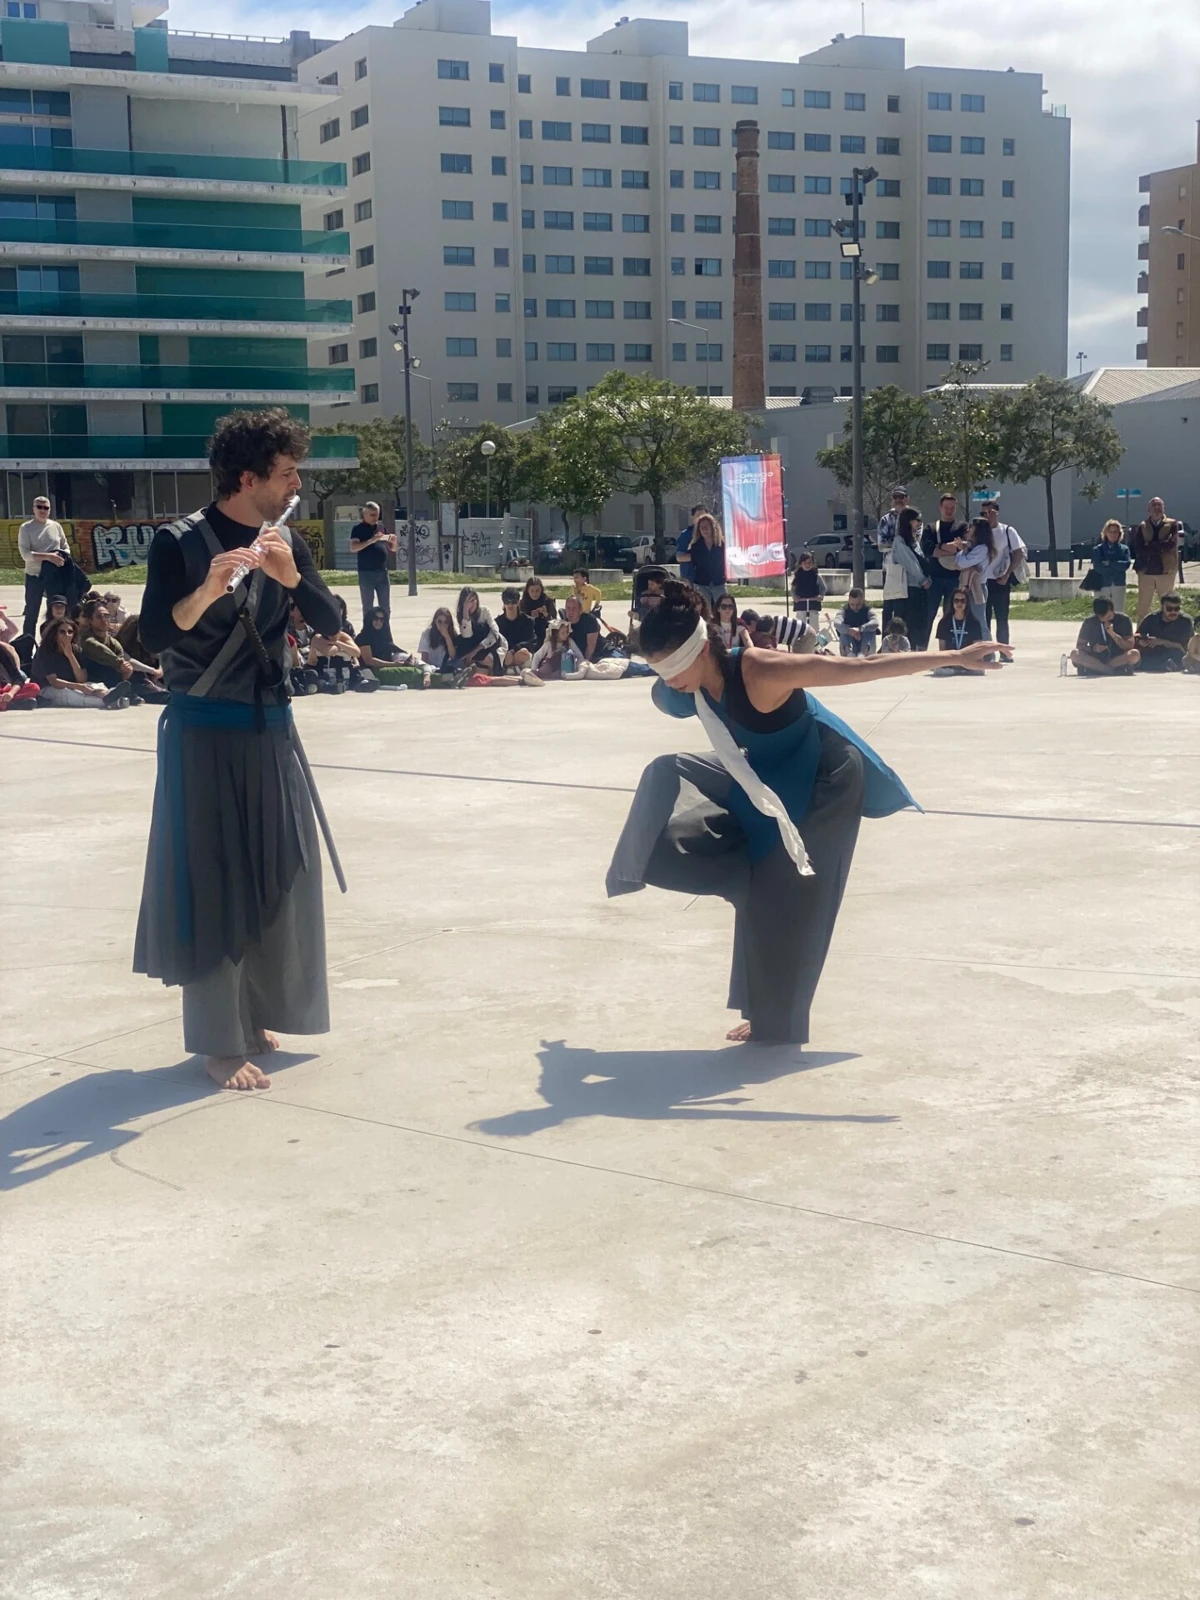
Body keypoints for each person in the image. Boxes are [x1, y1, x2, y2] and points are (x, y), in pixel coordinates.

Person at [608, 581, 1004, 1045]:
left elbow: (862, 667)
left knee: (791, 906)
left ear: (698, 651)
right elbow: (666, 695)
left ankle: (775, 1023)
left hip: (822, 781)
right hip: (759, 778)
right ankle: (653, 873)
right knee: (665, 772)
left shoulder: (760, 670)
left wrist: (954, 657)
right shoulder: (684, 688)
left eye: (673, 668)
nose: (668, 680)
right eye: (662, 670)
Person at [134, 407, 342, 1092]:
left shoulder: (286, 541)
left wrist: (289, 577)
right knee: (214, 879)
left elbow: (330, 620)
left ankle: (258, 1013)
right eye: (285, 474)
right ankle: (218, 1042)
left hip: (271, 729)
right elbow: (157, 636)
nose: (295, 486)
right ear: (247, 477)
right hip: (203, 732)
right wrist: (209, 589)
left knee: (280, 872)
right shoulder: (181, 542)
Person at [76, 596, 169, 703]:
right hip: (99, 680)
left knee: (137, 675)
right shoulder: (88, 640)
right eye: (99, 617)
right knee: (135, 677)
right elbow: (107, 655)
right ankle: (162, 696)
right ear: (90, 620)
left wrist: (126, 669)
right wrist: (123, 665)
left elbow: (124, 659)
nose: (104, 620)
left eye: (106, 616)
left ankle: (157, 694)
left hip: (119, 679)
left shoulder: (112, 641)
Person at [31, 616, 130, 708]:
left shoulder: (76, 650)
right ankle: (110, 702)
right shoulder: (45, 651)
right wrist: (79, 687)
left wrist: (70, 656)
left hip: (72, 685)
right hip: (46, 689)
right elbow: (54, 682)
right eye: (62, 632)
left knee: (94, 685)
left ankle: (110, 694)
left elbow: (82, 679)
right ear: (55, 634)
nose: (67, 635)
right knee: (69, 694)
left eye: (70, 632)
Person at [17, 495, 69, 638]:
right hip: (35, 576)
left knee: (55, 614)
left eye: (46, 507)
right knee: (31, 614)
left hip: (54, 576)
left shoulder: (56, 526)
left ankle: (52, 645)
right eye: (39, 507)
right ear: (33, 509)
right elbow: (25, 554)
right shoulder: (26, 528)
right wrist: (48, 557)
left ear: (50, 510)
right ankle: (27, 650)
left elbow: (65, 546)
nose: (42, 510)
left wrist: (63, 556)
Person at [884, 506, 933, 648]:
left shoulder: (914, 541)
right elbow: (910, 563)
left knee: (919, 622)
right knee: (908, 622)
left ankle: (917, 648)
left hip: (919, 588)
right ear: (908, 521)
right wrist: (923, 579)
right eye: (916, 520)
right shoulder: (900, 541)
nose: (918, 523)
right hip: (908, 588)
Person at [982, 500, 1026, 647]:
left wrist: (1007, 574)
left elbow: (1019, 553)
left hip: (1000, 580)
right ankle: (986, 652)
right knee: (984, 618)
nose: (987, 516)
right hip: (982, 581)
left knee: (1002, 618)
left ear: (997, 513)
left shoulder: (1007, 531)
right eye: (983, 513)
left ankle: (1004, 650)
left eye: (990, 512)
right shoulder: (978, 531)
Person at [1131, 498, 1182, 623]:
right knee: (1143, 607)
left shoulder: (1173, 524)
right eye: (1154, 505)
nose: (1156, 508)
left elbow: (1171, 545)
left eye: (1159, 505)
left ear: (1164, 508)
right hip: (1146, 572)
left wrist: (1151, 545)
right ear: (1148, 509)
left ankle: (1167, 634)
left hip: (1166, 571)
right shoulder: (1142, 526)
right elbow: (1139, 548)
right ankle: (1140, 635)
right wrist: (1160, 546)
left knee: (1167, 606)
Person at [921, 494, 968, 620]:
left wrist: (939, 547)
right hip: (933, 579)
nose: (949, 511)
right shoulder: (930, 528)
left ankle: (948, 640)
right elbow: (928, 550)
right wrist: (950, 549)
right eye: (946, 507)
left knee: (950, 617)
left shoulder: (962, 527)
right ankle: (923, 640)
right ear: (940, 508)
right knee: (927, 616)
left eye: (952, 508)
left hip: (954, 579)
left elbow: (962, 546)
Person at [350, 501, 395, 626]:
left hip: (382, 572)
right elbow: (353, 547)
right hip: (366, 573)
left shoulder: (381, 527)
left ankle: (385, 630)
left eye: (377, 515)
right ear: (365, 514)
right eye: (372, 515)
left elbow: (392, 548)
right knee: (368, 606)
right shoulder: (358, 529)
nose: (375, 518)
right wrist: (372, 540)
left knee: (385, 606)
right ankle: (368, 632)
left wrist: (393, 542)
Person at [1070, 597, 1139, 676]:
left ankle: (1101, 668)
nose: (1105, 620)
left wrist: (1112, 634)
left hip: (1117, 657)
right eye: (1101, 618)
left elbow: (1129, 645)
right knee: (1075, 654)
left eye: (1108, 616)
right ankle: (1105, 669)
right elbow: (1080, 645)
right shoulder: (1089, 622)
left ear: (1112, 610)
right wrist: (1094, 648)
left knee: (1134, 654)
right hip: (1096, 658)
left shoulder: (1124, 620)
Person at [954, 518, 999, 639]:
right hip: (968, 587)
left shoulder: (982, 548)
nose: (968, 530)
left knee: (980, 622)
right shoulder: (973, 547)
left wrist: (962, 550)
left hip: (977, 588)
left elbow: (961, 563)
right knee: (968, 621)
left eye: (971, 527)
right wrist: (964, 548)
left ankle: (989, 654)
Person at [1134, 593, 1193, 672]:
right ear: (1162, 608)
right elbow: (1137, 635)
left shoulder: (1185, 621)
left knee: (1177, 654)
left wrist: (1162, 642)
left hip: (1174, 651)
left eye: (1176, 609)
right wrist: (1141, 641)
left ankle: (1165, 665)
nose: (1173, 612)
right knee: (1141, 654)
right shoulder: (1152, 618)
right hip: (1155, 651)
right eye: (1169, 609)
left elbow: (1183, 648)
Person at [932, 589, 986, 675]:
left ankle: (961, 670)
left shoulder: (974, 623)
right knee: (938, 670)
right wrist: (953, 661)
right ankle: (957, 670)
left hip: (968, 659)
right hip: (950, 659)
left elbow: (977, 648)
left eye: (962, 601)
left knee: (980, 670)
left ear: (967, 603)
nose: (959, 604)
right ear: (952, 603)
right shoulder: (944, 622)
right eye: (956, 600)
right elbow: (942, 648)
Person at [454, 587, 502, 673]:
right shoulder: (462, 616)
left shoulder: (484, 611)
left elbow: (495, 632)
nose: (471, 605)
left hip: (489, 644)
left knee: (486, 659)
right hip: (472, 644)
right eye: (467, 602)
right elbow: (467, 636)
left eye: (473, 601)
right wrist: (466, 614)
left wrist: (477, 649)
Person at [1089, 519, 1133, 613]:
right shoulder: (1097, 549)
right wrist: (1116, 566)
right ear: (1106, 533)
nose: (1113, 534)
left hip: (1119, 584)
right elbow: (1098, 567)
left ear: (1119, 533)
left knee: (1118, 611)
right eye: (1110, 531)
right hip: (1102, 584)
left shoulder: (1124, 549)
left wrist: (1109, 563)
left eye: (1115, 532)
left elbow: (1126, 565)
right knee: (1102, 612)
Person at [688, 512, 727, 607]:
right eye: (702, 527)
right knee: (705, 611)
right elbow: (693, 566)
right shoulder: (695, 546)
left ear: (713, 528)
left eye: (707, 527)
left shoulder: (721, 544)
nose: (704, 530)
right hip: (701, 584)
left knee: (724, 607)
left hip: (719, 583)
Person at [495, 586, 538, 670]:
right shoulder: (498, 622)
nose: (510, 604)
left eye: (513, 601)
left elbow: (532, 641)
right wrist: (506, 652)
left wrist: (514, 650)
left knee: (524, 653)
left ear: (518, 602)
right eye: (507, 601)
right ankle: (513, 668)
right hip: (504, 655)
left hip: (520, 654)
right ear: (503, 603)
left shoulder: (528, 621)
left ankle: (509, 668)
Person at [834, 589, 879, 657]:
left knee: (870, 629)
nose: (855, 607)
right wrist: (849, 630)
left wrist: (860, 629)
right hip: (849, 644)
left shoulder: (868, 610)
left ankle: (863, 654)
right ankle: (849, 654)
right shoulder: (843, 610)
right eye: (852, 604)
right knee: (842, 628)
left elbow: (875, 622)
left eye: (858, 604)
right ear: (848, 601)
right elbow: (837, 623)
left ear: (863, 601)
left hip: (866, 644)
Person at [0, 635, 38, 709]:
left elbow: (18, 679)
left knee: (34, 687)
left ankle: (6, 703)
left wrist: (10, 694)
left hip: (2, 690)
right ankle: (12, 705)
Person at [518, 576, 557, 646]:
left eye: (537, 590)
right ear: (528, 591)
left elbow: (555, 623)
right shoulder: (523, 603)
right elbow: (519, 623)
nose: (535, 593)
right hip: (529, 635)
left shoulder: (548, 601)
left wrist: (546, 615)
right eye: (532, 591)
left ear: (541, 590)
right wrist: (530, 617)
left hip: (545, 634)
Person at [564, 594, 603, 661]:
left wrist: (584, 665)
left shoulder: (589, 620)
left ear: (580, 609)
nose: (570, 611)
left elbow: (590, 647)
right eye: (568, 608)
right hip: (578, 657)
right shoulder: (564, 625)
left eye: (574, 608)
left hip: (600, 652)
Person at [419, 606, 459, 671]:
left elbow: (453, 656)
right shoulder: (426, 634)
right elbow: (424, 659)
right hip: (432, 669)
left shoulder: (453, 634)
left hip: (447, 667)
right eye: (440, 622)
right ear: (435, 621)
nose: (442, 625)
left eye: (446, 622)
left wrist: (447, 637)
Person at [791, 550, 827, 618]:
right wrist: (794, 596)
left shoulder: (817, 576)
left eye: (809, 562)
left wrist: (821, 596)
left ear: (813, 563)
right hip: (801, 604)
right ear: (801, 563)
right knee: (801, 625)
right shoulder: (798, 576)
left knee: (814, 624)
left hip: (813, 604)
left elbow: (824, 588)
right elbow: (793, 589)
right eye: (805, 562)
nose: (807, 565)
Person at [676, 504, 707, 581]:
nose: (701, 519)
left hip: (709, 581)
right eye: (698, 516)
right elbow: (679, 557)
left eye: (704, 516)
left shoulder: (713, 535)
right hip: (691, 579)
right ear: (692, 518)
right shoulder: (686, 534)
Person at [874, 486, 908, 554]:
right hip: (890, 562)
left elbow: (915, 543)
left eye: (901, 497)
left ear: (907, 499)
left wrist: (890, 544)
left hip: (909, 562)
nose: (898, 500)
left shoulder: (915, 518)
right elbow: (881, 546)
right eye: (895, 497)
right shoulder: (885, 520)